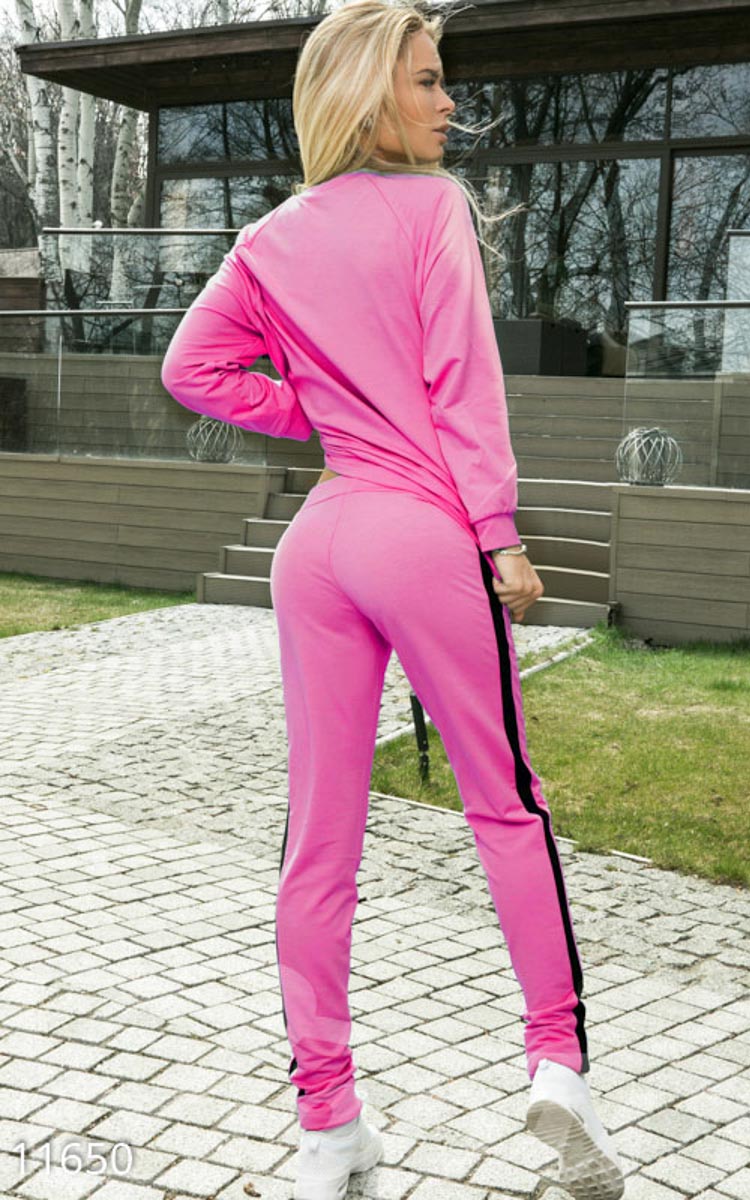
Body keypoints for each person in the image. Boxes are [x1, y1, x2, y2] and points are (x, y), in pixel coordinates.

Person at [160, 3, 625, 1197]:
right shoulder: (431, 208)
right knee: (505, 804)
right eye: (424, 81)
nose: (446, 101)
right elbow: (462, 382)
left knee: (316, 839)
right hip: (417, 530)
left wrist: (317, 415)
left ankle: (327, 1126)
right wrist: (499, 536)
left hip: (317, 543)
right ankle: (557, 1064)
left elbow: (190, 370)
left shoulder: (267, 239)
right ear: (368, 94)